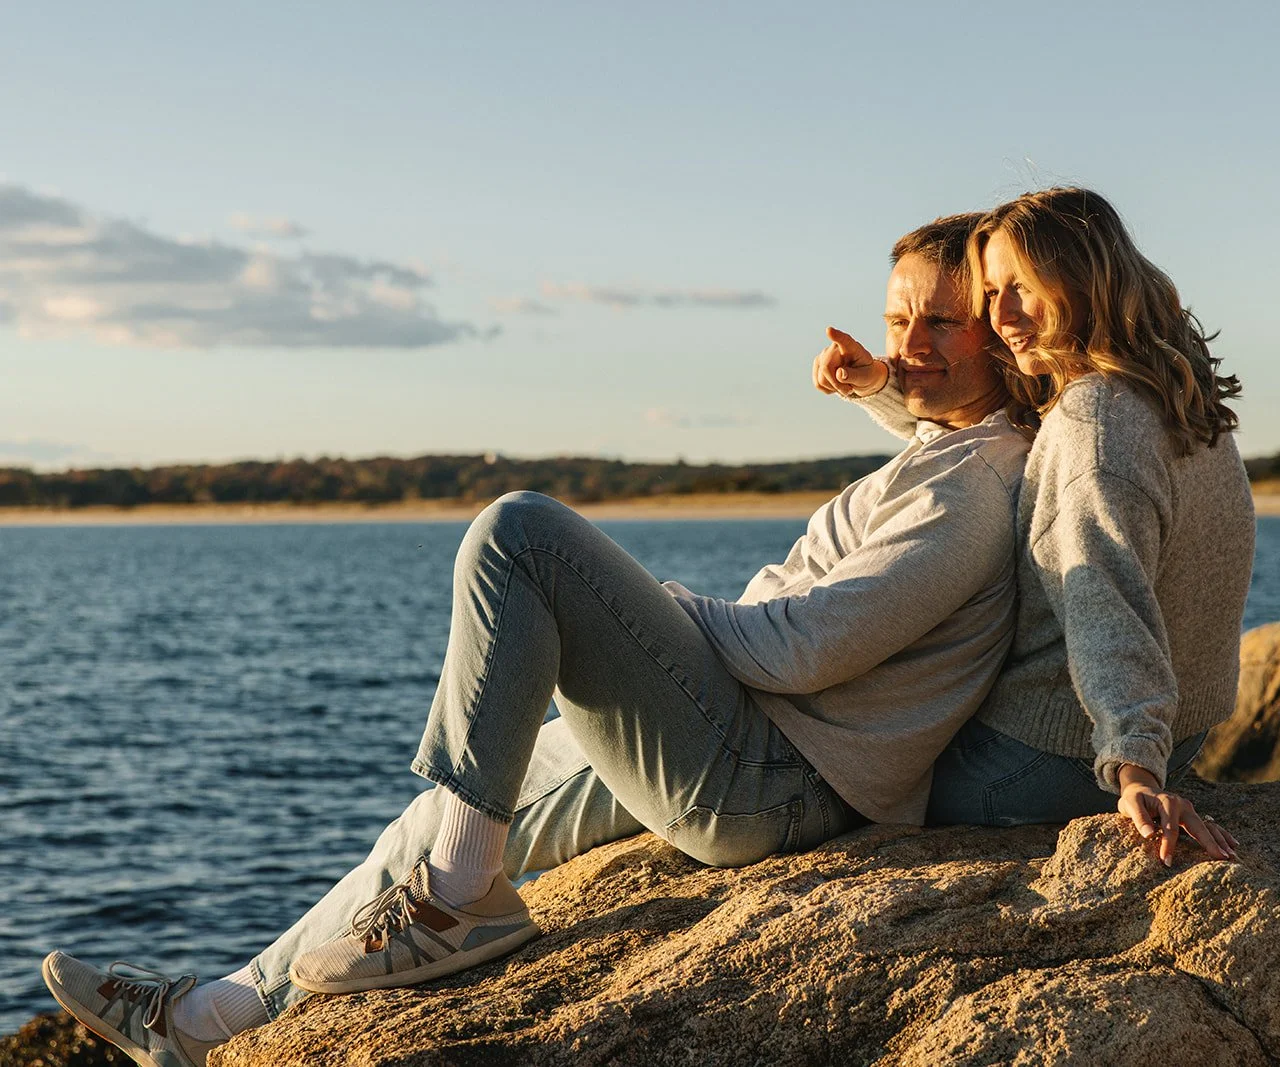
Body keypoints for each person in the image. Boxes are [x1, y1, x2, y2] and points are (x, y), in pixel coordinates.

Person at [39, 215, 1030, 1067]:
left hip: (776, 774)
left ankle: (460, 904)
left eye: (940, 320)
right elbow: (930, 439)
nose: (909, 342)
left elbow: (805, 649)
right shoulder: (950, 452)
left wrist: (658, 610)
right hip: (768, 743)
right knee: (448, 811)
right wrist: (878, 386)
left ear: (1000, 333)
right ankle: (209, 1015)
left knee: (521, 535)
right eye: (898, 316)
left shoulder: (970, 488)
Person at [817, 187, 1252, 866]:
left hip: (1047, 757)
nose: (1003, 315)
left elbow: (1103, 597)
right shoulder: (1164, 385)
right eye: (992, 294)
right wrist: (884, 386)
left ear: (1082, 278)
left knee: (828, 756)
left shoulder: (1093, 426)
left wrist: (1134, 766)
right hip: (1179, 734)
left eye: (1020, 286)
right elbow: (997, 441)